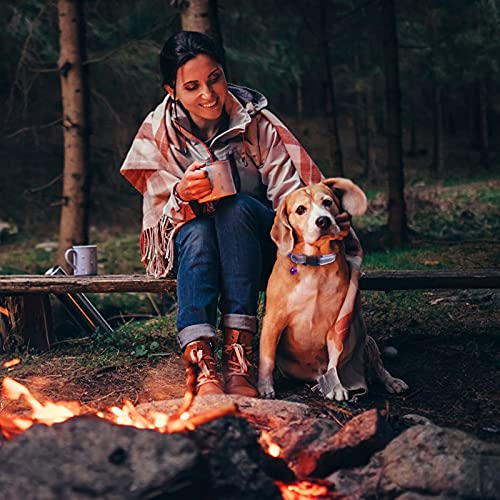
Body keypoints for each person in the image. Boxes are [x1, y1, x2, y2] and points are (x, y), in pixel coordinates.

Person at [121, 31, 349, 397]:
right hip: (197, 249)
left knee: (235, 207)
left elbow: (291, 198)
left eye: (214, 79)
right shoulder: (158, 132)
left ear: (225, 73)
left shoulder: (256, 123)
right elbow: (161, 222)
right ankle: (201, 360)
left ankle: (238, 351)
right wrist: (182, 194)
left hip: (257, 244)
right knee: (196, 231)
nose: (208, 95)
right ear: (171, 91)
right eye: (192, 87)